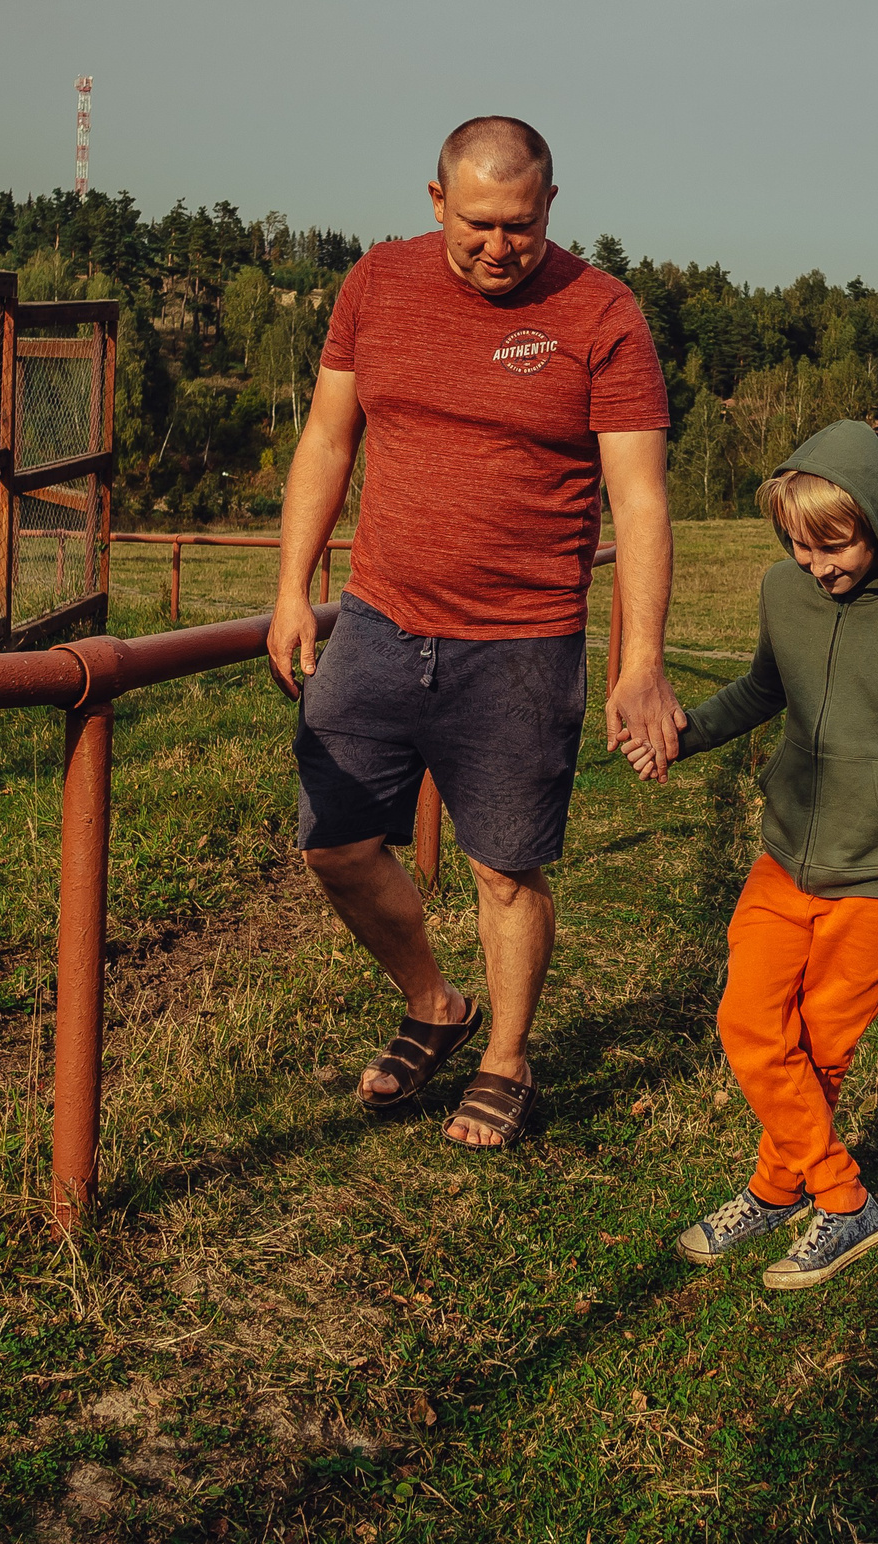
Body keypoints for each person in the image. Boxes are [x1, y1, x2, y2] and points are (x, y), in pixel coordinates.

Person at [265, 116, 680, 1150]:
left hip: (523, 641)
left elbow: (638, 500)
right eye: (478, 224)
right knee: (334, 844)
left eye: (521, 225)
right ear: (437, 200)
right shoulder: (377, 284)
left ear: (551, 207)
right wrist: (290, 589)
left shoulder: (602, 312)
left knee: (504, 867)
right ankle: (434, 1004)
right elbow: (328, 438)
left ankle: (505, 1056)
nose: (500, 246)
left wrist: (640, 663)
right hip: (377, 619)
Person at [630, 420, 878, 1289]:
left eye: (833, 546)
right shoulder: (783, 590)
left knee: (821, 1051)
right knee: (748, 1021)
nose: (815, 565)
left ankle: (775, 1188)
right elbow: (764, 689)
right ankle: (844, 1200)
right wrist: (683, 735)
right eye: (799, 545)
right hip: (786, 853)